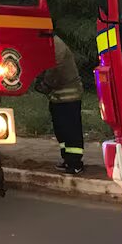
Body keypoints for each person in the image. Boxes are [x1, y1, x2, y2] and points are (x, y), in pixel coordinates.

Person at [34, 35, 84, 174]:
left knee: (70, 130)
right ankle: (68, 159)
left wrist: (45, 84)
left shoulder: (56, 46)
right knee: (62, 130)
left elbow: (54, 68)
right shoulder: (50, 43)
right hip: (58, 98)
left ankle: (75, 163)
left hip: (68, 97)